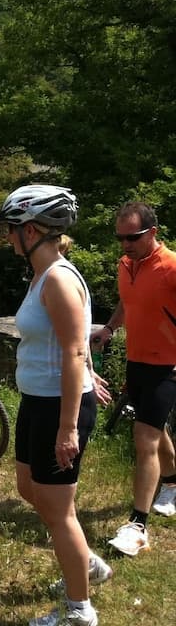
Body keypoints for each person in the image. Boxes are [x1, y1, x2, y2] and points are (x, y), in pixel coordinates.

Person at [0, 185, 110, 626]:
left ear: (34, 230)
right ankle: (85, 562)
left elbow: (73, 352)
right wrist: (87, 374)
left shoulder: (59, 278)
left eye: (12, 229)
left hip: (60, 409)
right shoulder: (41, 276)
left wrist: (68, 429)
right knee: (29, 488)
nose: (7, 237)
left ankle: (79, 610)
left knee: (60, 511)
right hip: (37, 400)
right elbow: (75, 340)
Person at [90, 202, 176, 556]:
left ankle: (138, 525)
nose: (125, 244)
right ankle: (172, 482)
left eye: (133, 237)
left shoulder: (171, 267)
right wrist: (110, 327)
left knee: (144, 439)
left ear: (152, 233)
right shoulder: (126, 265)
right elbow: (128, 303)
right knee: (154, 430)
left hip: (168, 366)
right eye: (120, 237)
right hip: (136, 362)